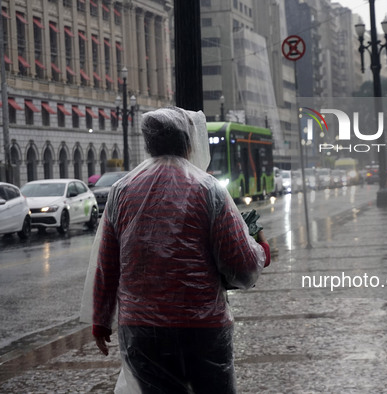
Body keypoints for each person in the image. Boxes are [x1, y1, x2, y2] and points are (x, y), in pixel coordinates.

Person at [90, 107, 270, 393]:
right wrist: (262, 248)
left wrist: (100, 321)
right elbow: (242, 266)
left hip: (141, 331)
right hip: (202, 330)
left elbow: (107, 265)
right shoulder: (208, 189)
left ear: (148, 144)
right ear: (189, 142)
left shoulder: (122, 191)